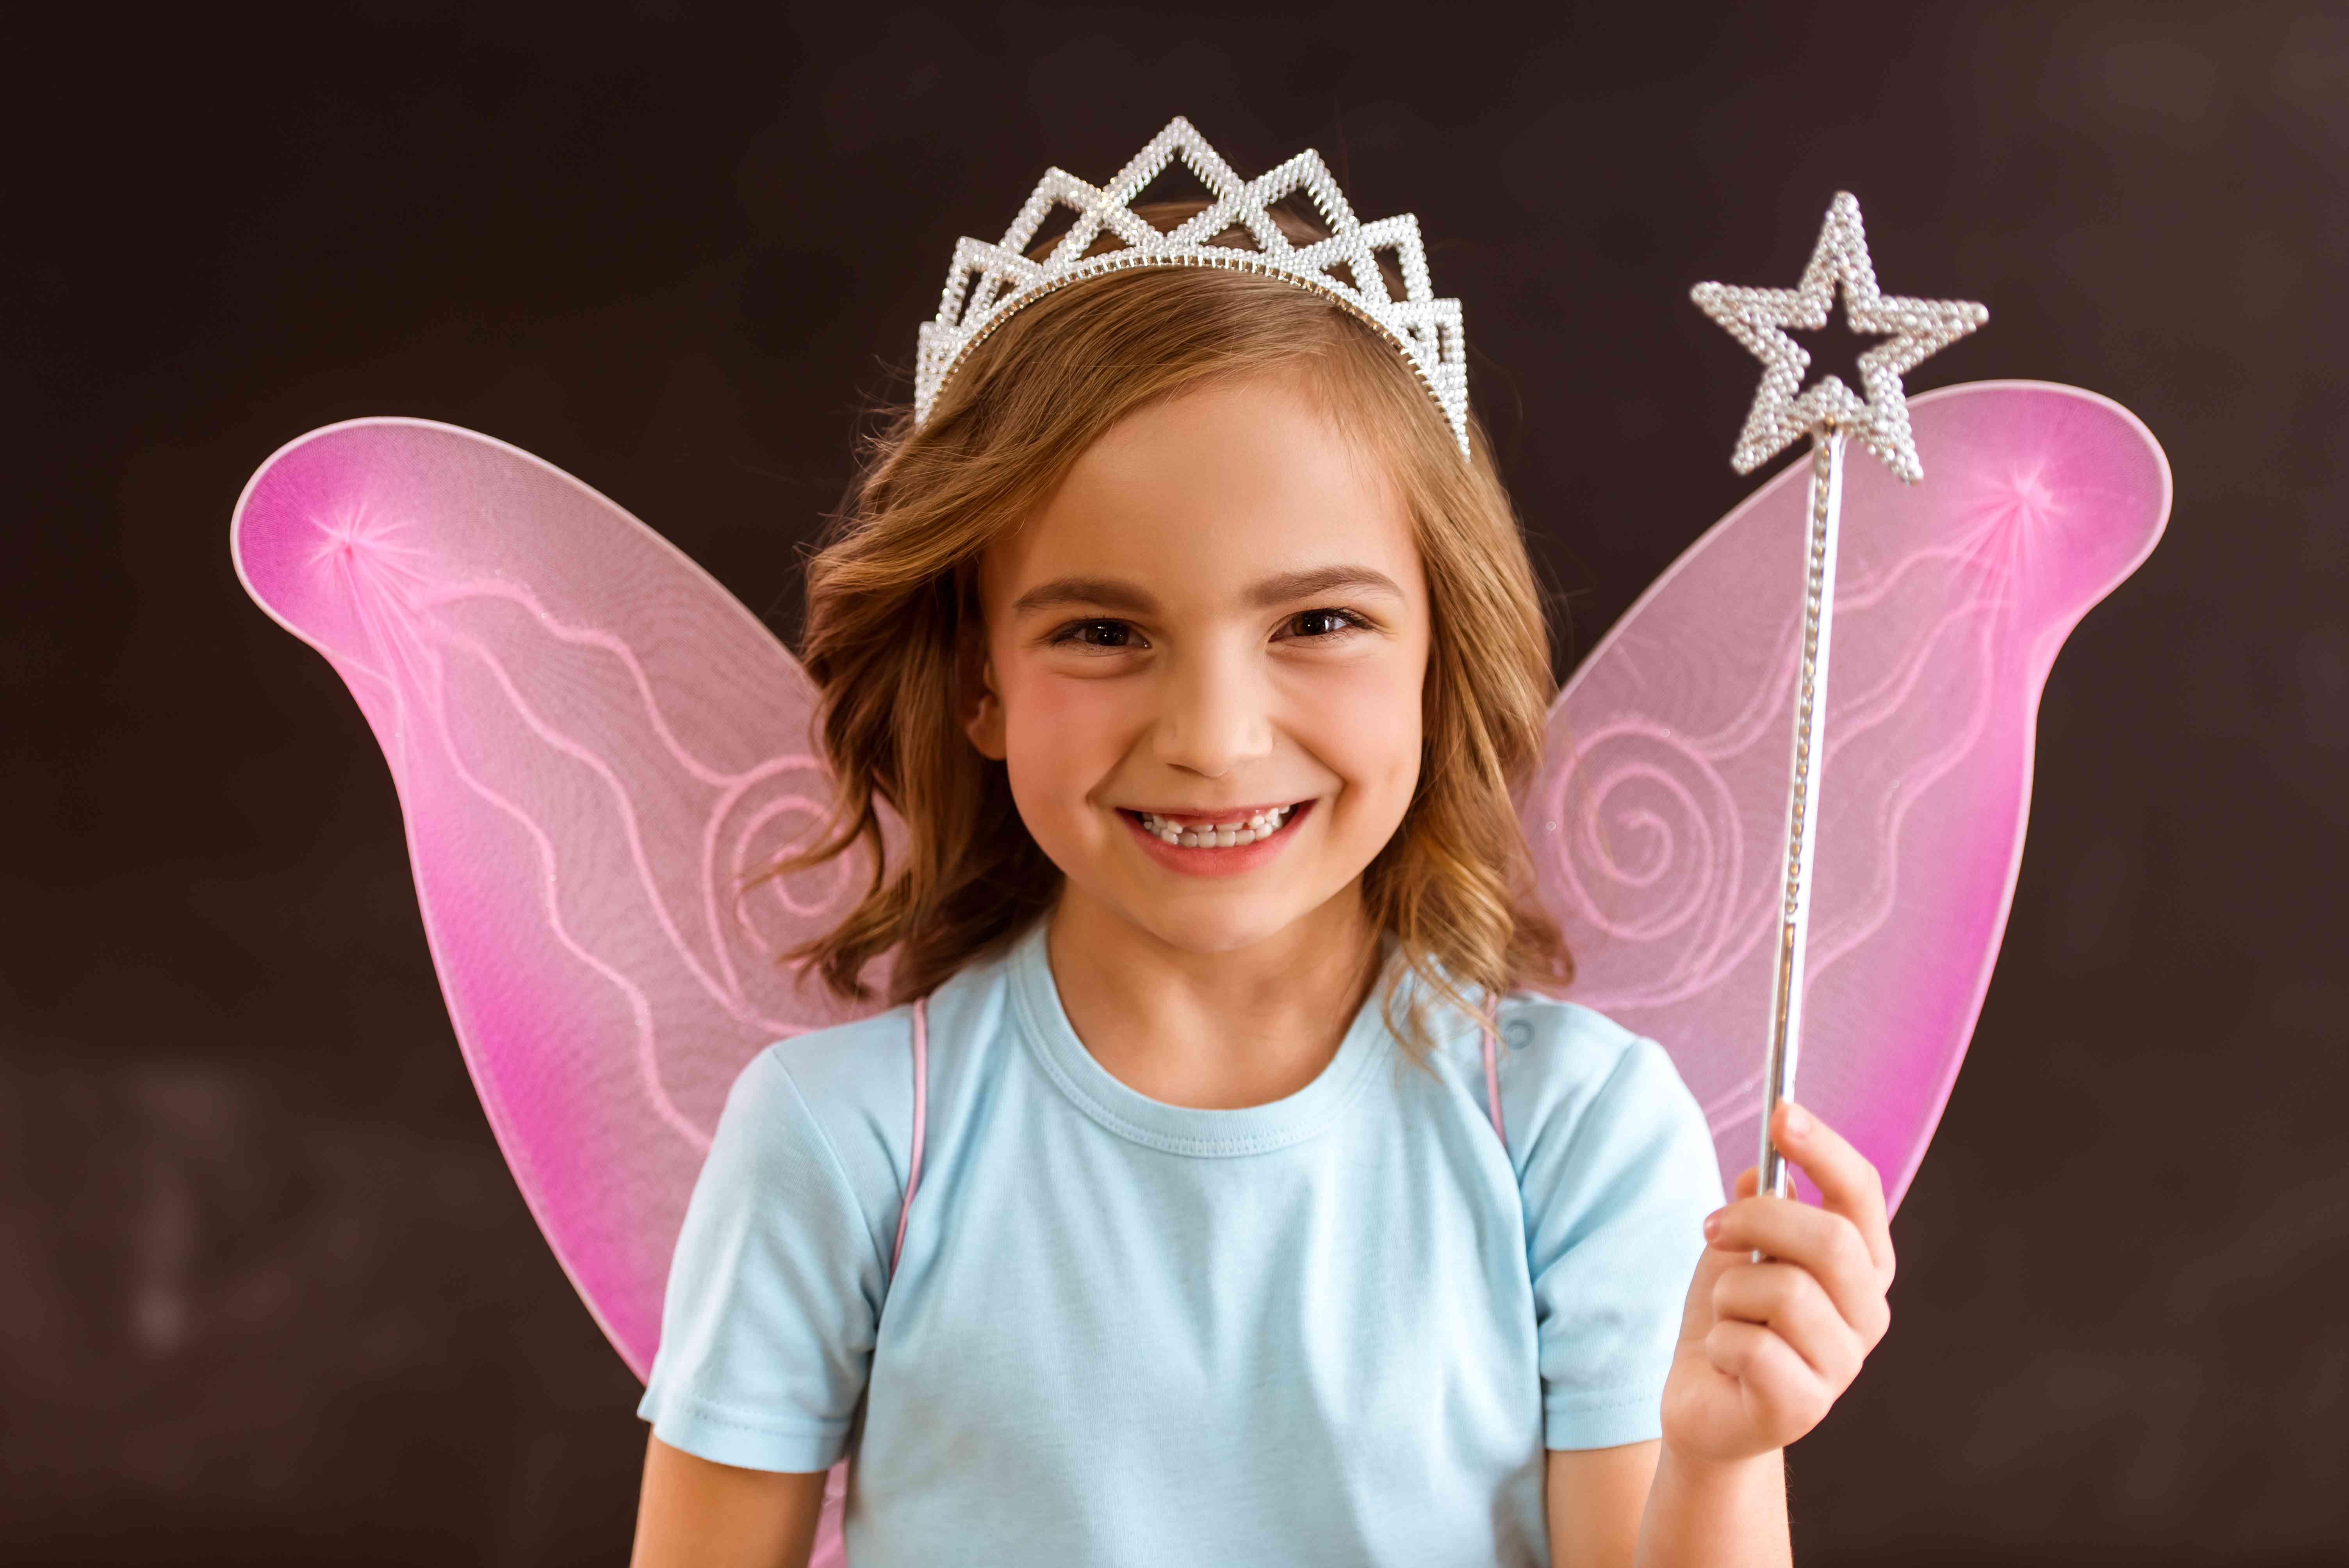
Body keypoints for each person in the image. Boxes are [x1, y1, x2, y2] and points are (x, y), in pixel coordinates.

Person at [627, 128, 1895, 1568]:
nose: (1216, 739)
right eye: (1104, 633)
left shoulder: (1578, 1142)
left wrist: (1721, 1464)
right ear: (978, 681)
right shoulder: (844, 1144)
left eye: (1317, 623)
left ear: (1440, 653)